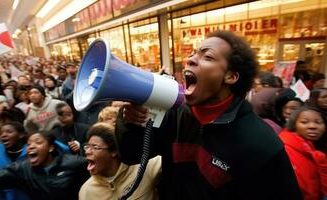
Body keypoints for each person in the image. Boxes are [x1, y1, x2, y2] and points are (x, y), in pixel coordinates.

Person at [115, 31, 302, 199]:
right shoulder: (173, 113)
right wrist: (131, 121)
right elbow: (131, 155)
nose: (191, 59)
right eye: (194, 53)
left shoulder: (262, 144)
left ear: (230, 76)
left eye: (208, 56)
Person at [0, 131, 89, 200]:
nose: (31, 146)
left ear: (51, 148)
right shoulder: (22, 169)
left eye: (38, 142)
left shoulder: (75, 163)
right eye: (29, 144)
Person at [79, 122, 161, 200]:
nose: (87, 152)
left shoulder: (145, 168)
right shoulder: (87, 191)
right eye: (87, 147)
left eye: (95, 147)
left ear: (114, 151)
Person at [279, 106, 327, 199]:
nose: (312, 126)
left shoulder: (315, 148)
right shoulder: (287, 150)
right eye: (304, 122)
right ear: (294, 125)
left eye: (318, 122)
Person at [0, 122, 30, 200]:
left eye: (9, 132)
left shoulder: (32, 151)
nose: (3, 135)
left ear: (21, 135)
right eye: (1, 133)